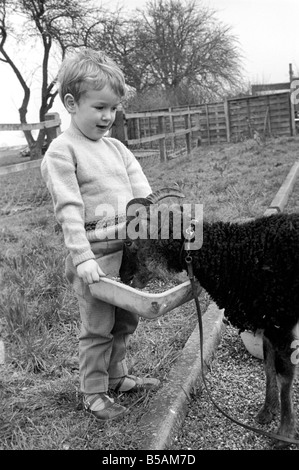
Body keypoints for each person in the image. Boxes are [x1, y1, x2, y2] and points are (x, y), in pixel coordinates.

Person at [41, 48, 160, 421]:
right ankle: (92, 391)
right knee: (98, 327)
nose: (108, 116)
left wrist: (150, 222)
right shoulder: (62, 152)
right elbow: (69, 212)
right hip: (94, 259)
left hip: (127, 253)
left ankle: (117, 376)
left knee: (126, 321)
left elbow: (142, 193)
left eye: (114, 108)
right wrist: (83, 258)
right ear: (72, 103)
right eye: (100, 107)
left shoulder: (117, 148)